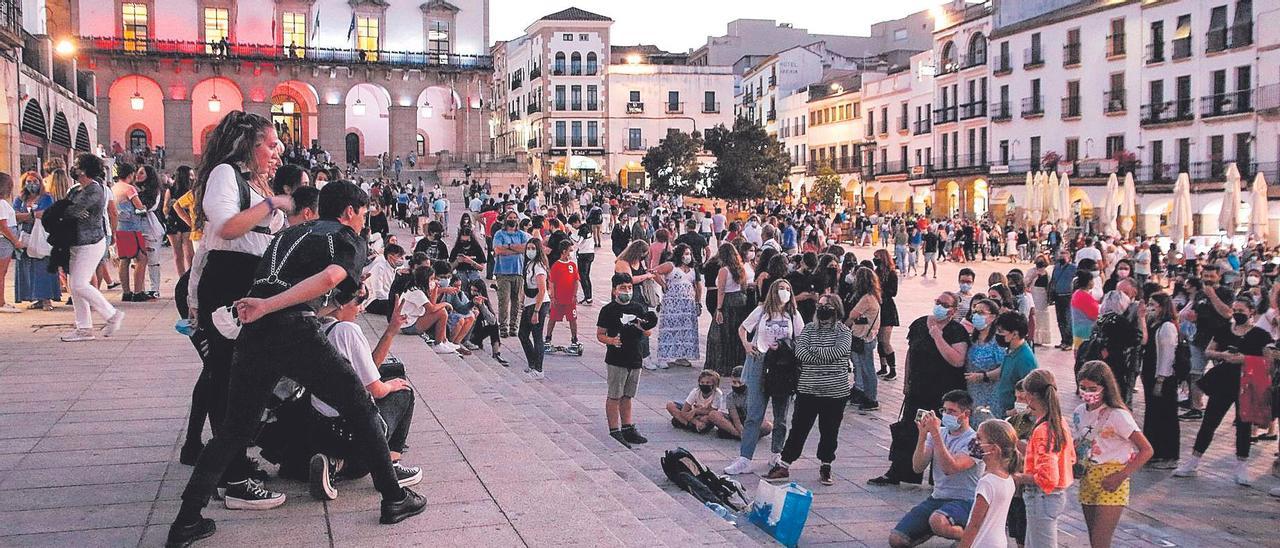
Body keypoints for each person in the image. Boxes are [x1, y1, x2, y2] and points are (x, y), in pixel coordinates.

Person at [165, 180, 426, 547]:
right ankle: (394, 498)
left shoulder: (289, 235)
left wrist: (272, 305)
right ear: (349, 211)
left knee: (234, 430)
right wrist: (272, 306)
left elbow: (318, 292)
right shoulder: (345, 237)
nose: (364, 221)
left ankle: (186, 520)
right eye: (363, 214)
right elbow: (331, 277)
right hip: (292, 329)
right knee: (359, 404)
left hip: (256, 334)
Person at [310, 293, 423, 501]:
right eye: (358, 303)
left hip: (321, 427)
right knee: (403, 390)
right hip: (352, 430)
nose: (361, 309)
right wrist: (390, 386)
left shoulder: (317, 328)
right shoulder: (347, 330)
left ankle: (335, 463)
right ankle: (391, 463)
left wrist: (390, 331)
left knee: (391, 374)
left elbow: (367, 368)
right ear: (341, 304)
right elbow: (376, 389)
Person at [870, 291, 970, 486]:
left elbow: (957, 360)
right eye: (937, 301)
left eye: (945, 304)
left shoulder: (957, 331)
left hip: (944, 394)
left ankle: (938, 477)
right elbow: (911, 353)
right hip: (918, 390)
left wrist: (938, 337)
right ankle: (901, 471)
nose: (939, 306)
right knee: (910, 429)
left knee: (942, 432)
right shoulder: (919, 324)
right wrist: (907, 381)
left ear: (953, 311)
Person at [1174, 294, 1271, 484]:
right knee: (1210, 420)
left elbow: (1268, 361)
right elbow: (1209, 351)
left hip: (1246, 384)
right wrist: (1223, 355)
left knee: (1243, 425)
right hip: (1224, 381)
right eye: (1235, 310)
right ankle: (1193, 461)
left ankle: (1241, 465)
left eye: (1241, 311)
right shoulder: (1224, 330)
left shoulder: (1260, 335)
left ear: (1251, 312)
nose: (1237, 314)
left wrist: (1244, 359)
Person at [765, 293, 853, 485]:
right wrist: (824, 356)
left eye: (827, 305)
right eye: (820, 305)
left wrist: (815, 354)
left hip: (834, 392)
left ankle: (826, 465)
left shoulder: (844, 331)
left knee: (830, 431)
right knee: (798, 428)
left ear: (836, 309)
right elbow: (800, 352)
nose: (822, 309)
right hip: (808, 389)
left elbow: (840, 351)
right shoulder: (809, 329)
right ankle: (785, 464)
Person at [723, 280, 804, 475]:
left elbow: (801, 337)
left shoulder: (793, 314)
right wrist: (746, 345)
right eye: (780, 288)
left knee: (781, 415)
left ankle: (776, 452)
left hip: (782, 366)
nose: (783, 292)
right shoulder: (761, 311)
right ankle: (745, 458)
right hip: (760, 360)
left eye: (787, 289)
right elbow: (743, 328)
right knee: (754, 413)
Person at [1072, 361, 1154, 548]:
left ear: (1105, 388)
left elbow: (1146, 449)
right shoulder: (1079, 412)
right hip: (1088, 476)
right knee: (1094, 538)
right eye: (1083, 387)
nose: (1087, 393)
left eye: (1093, 388)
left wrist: (1120, 476)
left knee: (1101, 541)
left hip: (1112, 477)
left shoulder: (1118, 415)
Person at [888, 390, 982, 547]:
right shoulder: (939, 433)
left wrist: (936, 435)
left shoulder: (976, 441)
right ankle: (935, 529)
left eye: (951, 411)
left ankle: (970, 537)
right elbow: (918, 467)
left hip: (965, 500)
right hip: (938, 498)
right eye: (944, 410)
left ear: (966, 414)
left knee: (937, 520)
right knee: (897, 539)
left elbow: (950, 468)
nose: (946, 415)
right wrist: (923, 435)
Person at [60, 154, 126, 342]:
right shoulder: (77, 189)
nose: (74, 169)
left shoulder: (95, 190)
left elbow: (71, 210)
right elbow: (68, 208)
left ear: (85, 169)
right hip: (76, 241)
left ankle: (112, 314)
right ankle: (84, 328)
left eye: (77, 166)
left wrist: (65, 211)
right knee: (75, 285)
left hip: (90, 242)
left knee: (80, 283)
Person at [1014, 369, 1074, 548]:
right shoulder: (1059, 422)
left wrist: (1016, 477)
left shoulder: (1043, 430)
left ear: (1031, 396)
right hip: (1051, 498)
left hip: (1042, 497)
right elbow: (1069, 458)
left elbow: (1047, 477)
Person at [597, 272, 658, 448]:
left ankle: (628, 427)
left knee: (628, 395)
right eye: (623, 288)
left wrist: (643, 326)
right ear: (614, 290)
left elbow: (647, 331)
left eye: (629, 288)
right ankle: (614, 429)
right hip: (616, 359)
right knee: (615, 395)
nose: (627, 291)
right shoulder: (608, 310)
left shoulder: (638, 308)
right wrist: (611, 341)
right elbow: (600, 334)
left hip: (635, 357)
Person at [1178, 264, 1234, 421]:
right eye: (1206, 276)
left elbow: (1227, 313)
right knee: (1196, 373)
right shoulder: (1200, 294)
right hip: (1200, 339)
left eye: (1211, 276)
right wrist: (1192, 317)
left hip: (1220, 340)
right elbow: (1196, 312)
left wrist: (1212, 296)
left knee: (1227, 375)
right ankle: (1196, 407)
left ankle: (1231, 409)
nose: (1208, 279)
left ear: (1218, 277)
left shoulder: (1226, 292)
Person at [957, 419, 1020, 548]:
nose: (975, 442)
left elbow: (975, 524)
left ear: (993, 449)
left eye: (979, 439)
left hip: (983, 543)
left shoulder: (987, 482)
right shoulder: (1008, 479)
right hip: (999, 542)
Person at [1141, 292, 1181, 468]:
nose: (1151, 308)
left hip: (1163, 377)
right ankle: (1154, 451)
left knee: (1166, 415)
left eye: (1153, 304)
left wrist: (1161, 379)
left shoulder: (1167, 327)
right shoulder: (1153, 323)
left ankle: (1169, 455)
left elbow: (1167, 355)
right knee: (1153, 414)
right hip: (1150, 374)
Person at [13, 172, 60, 310]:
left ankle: (46, 299)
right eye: (28, 181)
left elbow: (47, 214)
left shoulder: (46, 198)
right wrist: (33, 215)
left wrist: (27, 216)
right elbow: (15, 215)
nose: (31, 184)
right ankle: (35, 297)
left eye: (35, 181)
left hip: (41, 236)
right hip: (25, 236)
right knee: (27, 267)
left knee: (43, 266)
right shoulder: (20, 199)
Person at [710, 243, 755, 376]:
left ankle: (723, 364)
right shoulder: (740, 268)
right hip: (740, 300)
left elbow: (721, 291)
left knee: (722, 334)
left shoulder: (724, 270)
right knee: (736, 333)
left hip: (728, 302)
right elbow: (743, 286)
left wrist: (719, 309)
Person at [654, 243, 702, 368]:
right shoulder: (671, 266)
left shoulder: (692, 270)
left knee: (685, 330)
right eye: (686, 254)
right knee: (669, 328)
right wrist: (663, 285)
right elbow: (655, 272)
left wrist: (698, 301)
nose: (688, 256)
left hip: (687, 305)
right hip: (672, 304)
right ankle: (663, 357)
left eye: (690, 254)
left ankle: (682, 356)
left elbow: (697, 285)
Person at [846, 266, 881, 411]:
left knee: (867, 369)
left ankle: (871, 398)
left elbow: (853, 315)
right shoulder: (874, 296)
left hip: (863, 338)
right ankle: (866, 394)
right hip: (868, 336)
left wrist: (843, 326)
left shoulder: (867, 298)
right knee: (865, 368)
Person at [963, 299, 1003, 418]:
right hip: (972, 393)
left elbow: (1004, 368)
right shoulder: (972, 339)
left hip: (991, 395)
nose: (976, 316)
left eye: (981, 313)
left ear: (992, 317)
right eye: (975, 312)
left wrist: (983, 376)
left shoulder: (998, 341)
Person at [707, 366, 771, 440]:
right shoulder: (730, 397)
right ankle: (739, 435)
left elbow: (756, 415)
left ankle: (735, 434)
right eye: (734, 382)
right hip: (735, 422)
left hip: (751, 421)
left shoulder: (753, 394)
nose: (737, 385)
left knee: (767, 426)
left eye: (740, 382)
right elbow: (735, 418)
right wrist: (740, 430)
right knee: (713, 414)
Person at [492, 212, 529, 337]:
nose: (512, 220)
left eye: (514, 218)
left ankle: (514, 326)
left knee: (517, 301)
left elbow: (525, 249)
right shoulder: (499, 234)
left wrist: (507, 247)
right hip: (503, 272)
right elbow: (498, 250)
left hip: (518, 271)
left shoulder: (522, 235)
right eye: (510, 218)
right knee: (504, 300)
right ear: (506, 219)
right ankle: (503, 327)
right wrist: (515, 249)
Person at [543, 239, 581, 354]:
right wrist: (553, 297)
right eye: (570, 250)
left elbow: (576, 280)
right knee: (553, 318)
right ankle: (548, 339)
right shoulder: (556, 266)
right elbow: (552, 282)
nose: (571, 253)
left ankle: (574, 340)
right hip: (558, 299)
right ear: (564, 251)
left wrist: (574, 294)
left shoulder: (572, 265)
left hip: (570, 299)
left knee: (572, 319)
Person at [874, 249, 901, 381]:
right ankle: (883, 366)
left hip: (887, 308)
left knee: (885, 341)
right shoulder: (876, 271)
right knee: (879, 341)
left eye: (877, 257)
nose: (875, 259)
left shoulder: (891, 273)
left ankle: (893, 369)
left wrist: (881, 291)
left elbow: (893, 292)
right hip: (877, 307)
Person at [1049, 250, 1078, 350]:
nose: (1062, 257)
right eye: (1060, 255)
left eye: (1064, 256)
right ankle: (1063, 340)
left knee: (1067, 319)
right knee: (1060, 319)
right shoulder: (1056, 267)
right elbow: (1053, 280)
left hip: (1067, 296)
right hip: (1057, 295)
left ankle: (1069, 342)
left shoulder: (1073, 268)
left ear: (1069, 257)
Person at [1069, 271, 1099, 350]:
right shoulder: (1084, 296)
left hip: (1078, 329)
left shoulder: (1077, 293)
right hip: (1086, 331)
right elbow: (1095, 314)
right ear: (1089, 282)